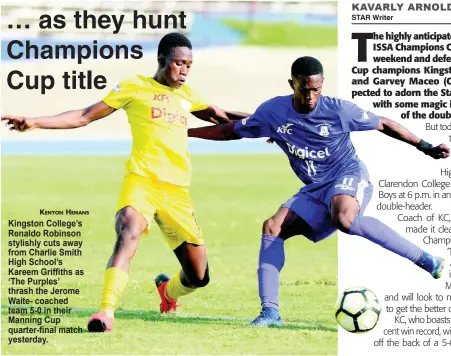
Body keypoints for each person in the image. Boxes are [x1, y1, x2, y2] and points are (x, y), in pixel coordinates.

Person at [2, 32, 250, 332]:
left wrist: (275, 125)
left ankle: (167, 292)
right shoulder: (135, 86)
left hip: (177, 193)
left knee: (198, 276)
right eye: (178, 63)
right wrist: (35, 121)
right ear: (162, 61)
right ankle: (106, 311)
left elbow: (224, 118)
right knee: (129, 231)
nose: (184, 70)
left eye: (189, 65)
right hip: (142, 183)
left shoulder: (188, 95)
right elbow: (84, 115)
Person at [187, 56, 450, 327]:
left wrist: (425, 146)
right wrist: (186, 132)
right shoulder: (273, 111)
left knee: (344, 218)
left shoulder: (338, 111)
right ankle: (270, 313)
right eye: (304, 89)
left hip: (347, 175)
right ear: (292, 84)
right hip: (315, 188)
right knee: (273, 227)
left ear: (322, 84)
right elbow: (232, 129)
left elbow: (382, 123)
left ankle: (425, 259)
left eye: (316, 89)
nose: (310, 96)